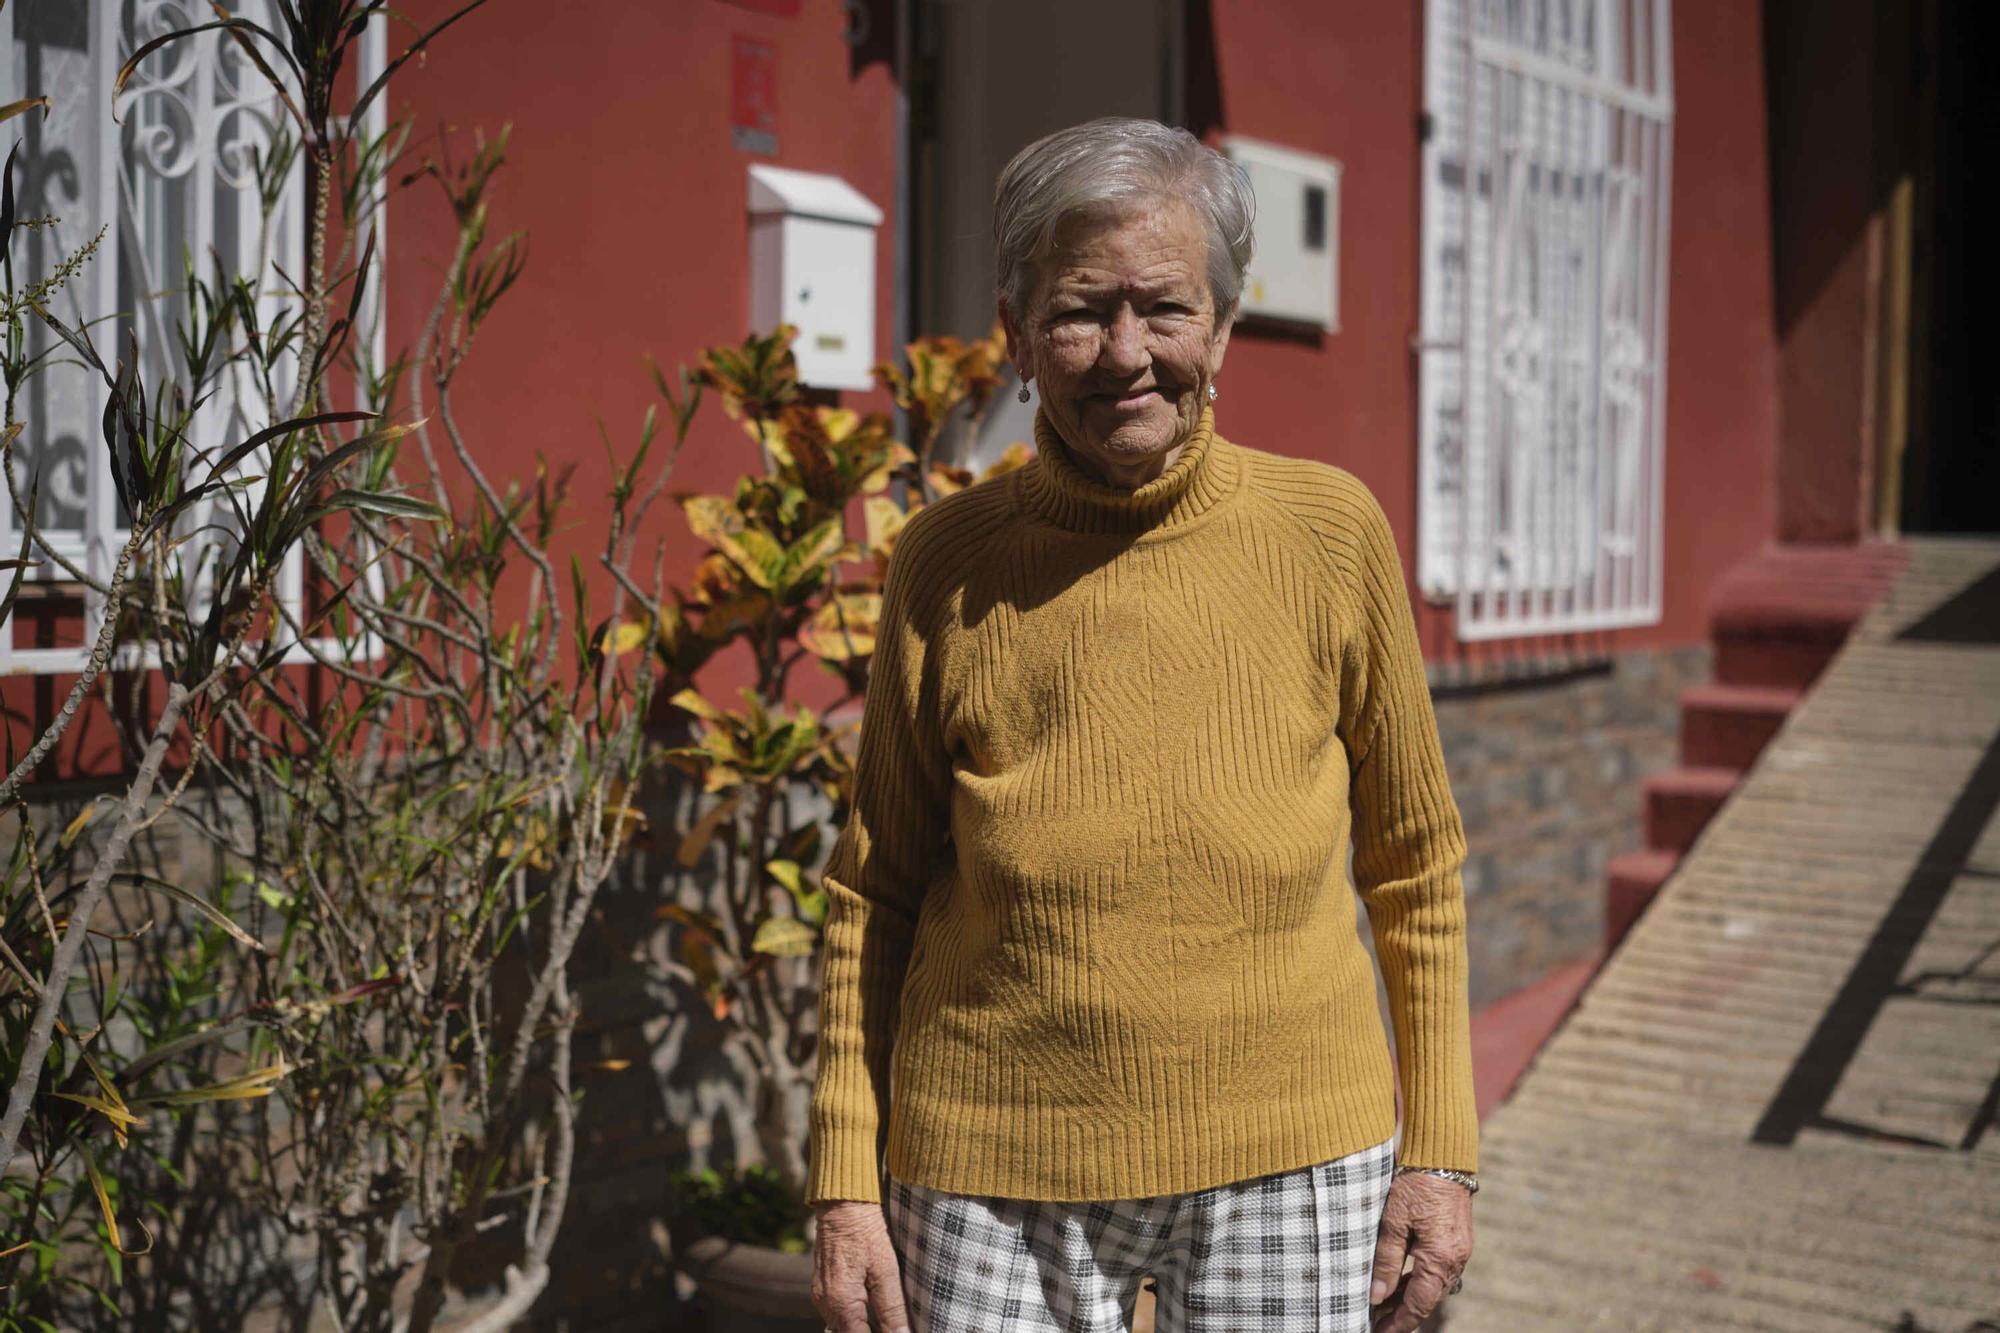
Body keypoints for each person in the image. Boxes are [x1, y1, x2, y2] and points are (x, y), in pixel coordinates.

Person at [807, 116, 1477, 1333]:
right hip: (987, 1167)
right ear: (1015, 333)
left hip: (1292, 1150)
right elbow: (871, 892)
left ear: (1222, 327)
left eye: (1163, 308)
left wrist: (1439, 1149)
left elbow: (1413, 866)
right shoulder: (944, 563)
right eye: (1077, 310)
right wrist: (846, 1181)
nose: (1123, 353)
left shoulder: (1328, 534)